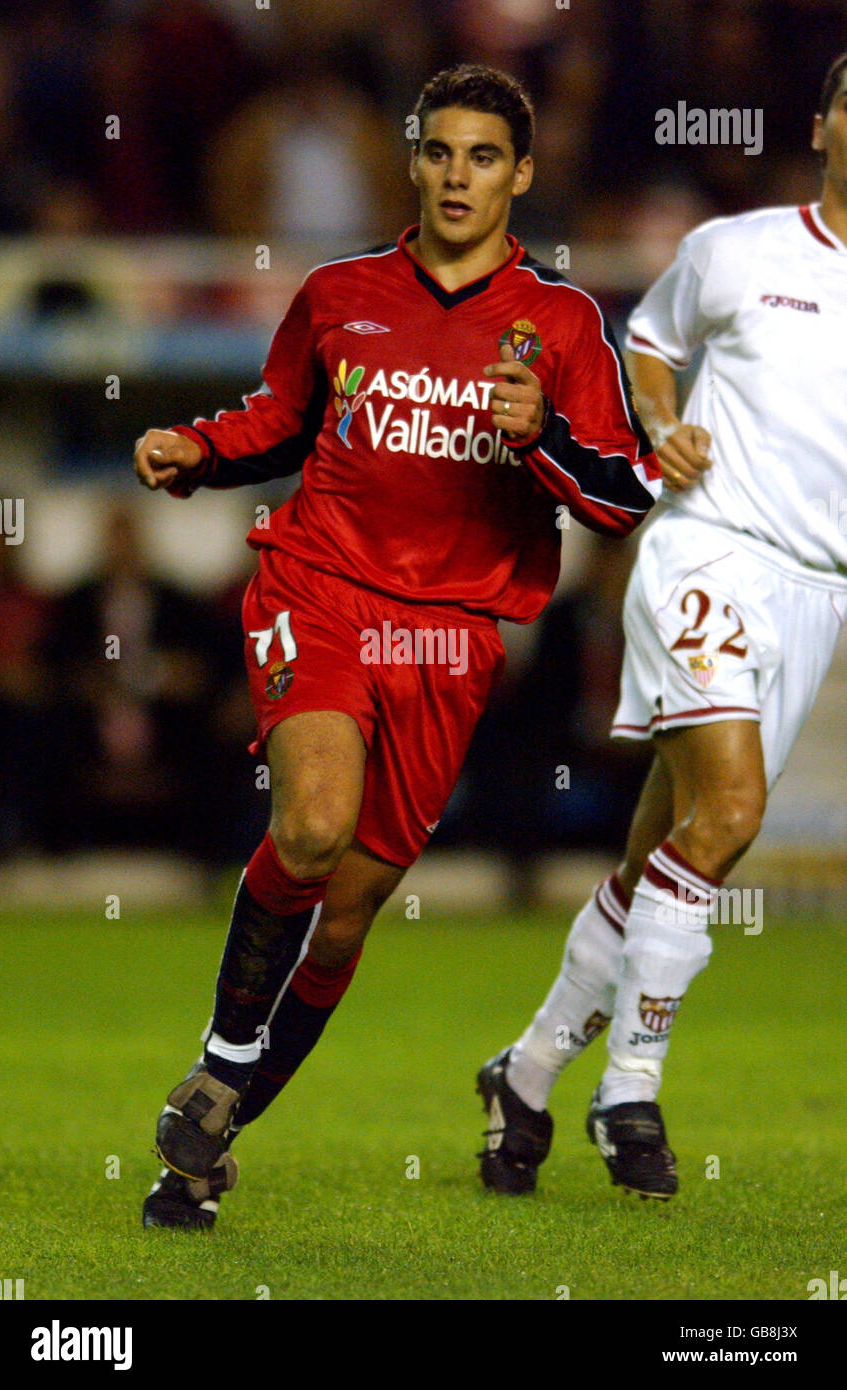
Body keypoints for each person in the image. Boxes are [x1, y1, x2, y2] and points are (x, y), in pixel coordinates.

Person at [133, 62, 660, 1229]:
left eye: (483, 157)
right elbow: (280, 418)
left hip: (449, 638)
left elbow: (622, 497)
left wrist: (544, 435)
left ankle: (203, 1149)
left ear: (520, 175)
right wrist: (197, 448)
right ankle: (221, 1063)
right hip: (318, 585)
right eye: (438, 152)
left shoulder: (563, 323)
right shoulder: (338, 293)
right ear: (412, 164)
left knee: (348, 910)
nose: (457, 176)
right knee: (311, 825)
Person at [477, 52, 847, 1201]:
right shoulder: (738, 249)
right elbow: (648, 340)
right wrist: (661, 422)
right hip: (707, 550)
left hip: (815, 591)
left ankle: (523, 1073)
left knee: (658, 858)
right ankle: (627, 1087)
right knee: (729, 814)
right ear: (823, 125)